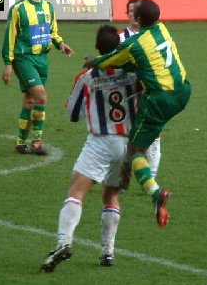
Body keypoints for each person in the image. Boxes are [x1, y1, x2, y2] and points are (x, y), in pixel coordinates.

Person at [40, 25, 140, 272]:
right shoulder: (134, 74)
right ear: (118, 48)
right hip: (128, 144)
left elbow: (72, 113)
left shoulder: (86, 76)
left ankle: (64, 242)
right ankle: (108, 252)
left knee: (77, 190)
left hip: (100, 141)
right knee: (112, 194)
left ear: (96, 48)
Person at [85, 0, 192, 227]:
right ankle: (143, 182)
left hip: (160, 98)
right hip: (183, 91)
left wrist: (94, 61)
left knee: (134, 150)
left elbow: (111, 61)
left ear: (138, 19)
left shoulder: (135, 44)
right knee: (149, 133)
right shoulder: (162, 29)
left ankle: (155, 192)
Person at [2, 0, 74, 155]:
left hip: (42, 59)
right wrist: (8, 63)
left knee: (30, 99)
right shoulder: (18, 9)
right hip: (24, 58)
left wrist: (61, 44)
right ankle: (37, 142)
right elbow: (10, 37)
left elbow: (52, 32)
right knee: (41, 96)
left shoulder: (49, 7)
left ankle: (20, 144)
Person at [119, 0, 162, 179]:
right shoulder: (120, 37)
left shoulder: (152, 35)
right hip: (124, 94)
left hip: (147, 92)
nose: (134, 15)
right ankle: (122, 176)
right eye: (130, 12)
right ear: (127, 14)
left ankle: (151, 175)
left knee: (154, 134)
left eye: (136, 12)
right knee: (124, 136)